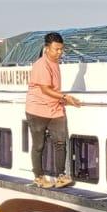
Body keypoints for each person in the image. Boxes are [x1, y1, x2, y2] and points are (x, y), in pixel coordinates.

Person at [25, 32, 81, 188]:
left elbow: (52, 90)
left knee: (60, 142)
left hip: (55, 108)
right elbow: (45, 89)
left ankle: (60, 176)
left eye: (61, 49)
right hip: (37, 110)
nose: (59, 52)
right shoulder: (41, 65)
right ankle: (39, 177)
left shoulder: (55, 62)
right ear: (46, 48)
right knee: (38, 145)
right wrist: (65, 97)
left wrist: (64, 100)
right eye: (56, 49)